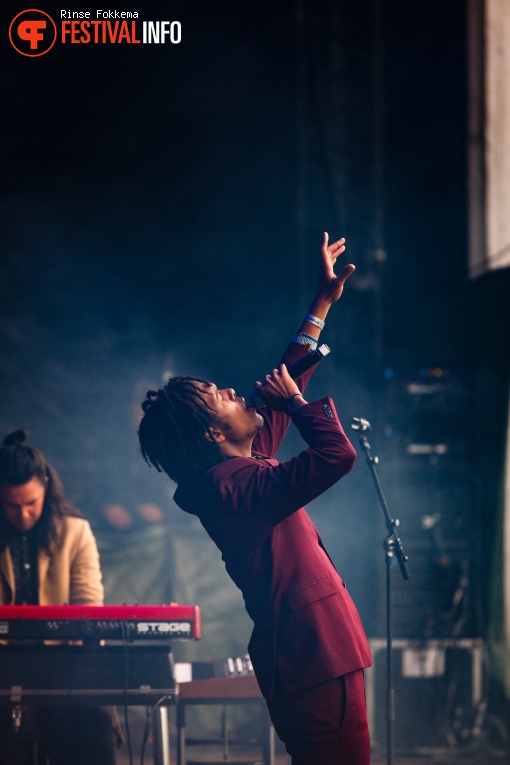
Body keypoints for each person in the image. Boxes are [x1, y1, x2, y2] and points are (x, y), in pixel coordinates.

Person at [138, 233, 373, 765]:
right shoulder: (233, 487)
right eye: (215, 396)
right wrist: (295, 400)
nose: (231, 390)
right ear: (208, 433)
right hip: (315, 655)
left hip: (314, 656)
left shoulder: (232, 476)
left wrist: (321, 304)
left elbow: (285, 381)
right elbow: (337, 454)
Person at [0, 429, 119, 765]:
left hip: (63, 662)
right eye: (11, 505)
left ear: (46, 490)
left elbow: (88, 607)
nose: (22, 514)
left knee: (92, 720)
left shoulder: (74, 531)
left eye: (30, 504)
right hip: (3, 661)